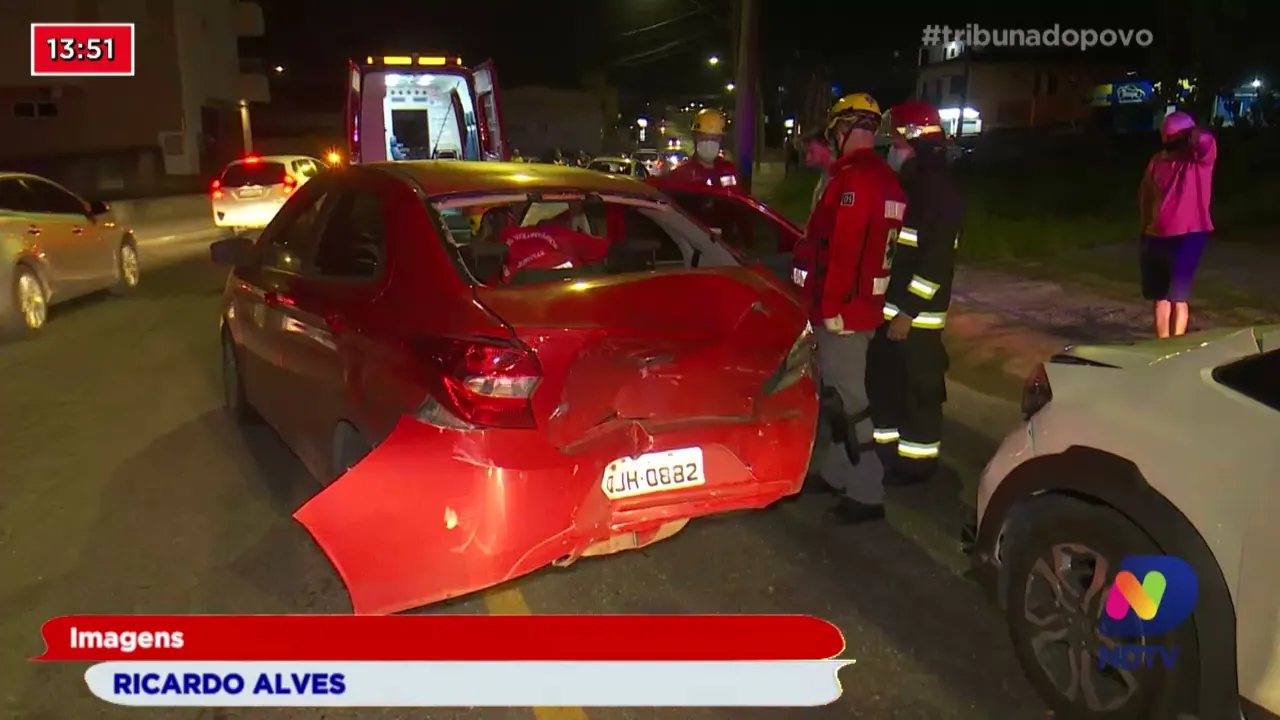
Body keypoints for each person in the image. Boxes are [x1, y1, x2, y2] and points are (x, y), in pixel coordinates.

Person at [801, 93, 907, 524]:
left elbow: (843, 249)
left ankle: (866, 492)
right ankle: (836, 471)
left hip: (843, 311)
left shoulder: (852, 181)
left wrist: (830, 308)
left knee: (851, 402)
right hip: (864, 307)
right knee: (841, 399)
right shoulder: (886, 179)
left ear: (842, 130)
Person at [867, 100, 962, 486]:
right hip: (894, 313)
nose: (891, 149)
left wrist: (908, 312)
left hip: (916, 319)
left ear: (912, 140)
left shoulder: (937, 187)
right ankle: (887, 456)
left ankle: (917, 465)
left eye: (896, 143)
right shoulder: (913, 181)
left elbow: (935, 260)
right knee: (888, 385)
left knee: (919, 392)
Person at [1139, 111, 1216, 338]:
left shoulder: (1199, 159)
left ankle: (1177, 344)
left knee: (1178, 296)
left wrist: (1191, 134)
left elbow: (1205, 141)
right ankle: (1163, 344)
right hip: (1156, 234)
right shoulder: (1157, 161)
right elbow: (1145, 196)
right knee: (1161, 296)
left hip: (1189, 234)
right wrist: (1144, 227)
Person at [665, 108, 739, 190]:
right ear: (695, 137)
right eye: (703, 138)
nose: (708, 144)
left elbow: (738, 197)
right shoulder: (681, 173)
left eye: (714, 139)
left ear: (721, 139)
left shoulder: (728, 169)